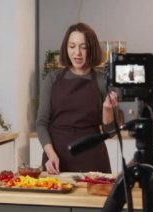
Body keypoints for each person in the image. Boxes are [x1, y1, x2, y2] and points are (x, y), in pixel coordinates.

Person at [36, 22, 118, 174]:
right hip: (56, 158)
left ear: (91, 49)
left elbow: (111, 131)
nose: (77, 53)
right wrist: (51, 154)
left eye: (83, 47)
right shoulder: (52, 79)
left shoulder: (102, 80)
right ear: (66, 48)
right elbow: (41, 123)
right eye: (72, 46)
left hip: (92, 159)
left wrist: (107, 109)